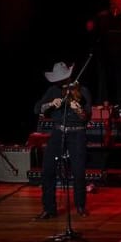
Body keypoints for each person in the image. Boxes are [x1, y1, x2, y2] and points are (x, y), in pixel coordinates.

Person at [33, 61, 93, 219]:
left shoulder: (82, 91)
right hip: (58, 132)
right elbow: (37, 108)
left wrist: (78, 109)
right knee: (47, 170)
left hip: (77, 133)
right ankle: (49, 208)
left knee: (79, 171)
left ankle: (80, 205)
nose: (61, 83)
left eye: (63, 79)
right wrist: (50, 104)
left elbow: (86, 117)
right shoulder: (53, 91)